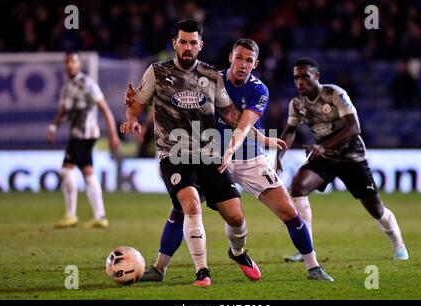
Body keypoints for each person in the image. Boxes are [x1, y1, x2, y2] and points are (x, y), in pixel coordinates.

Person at [125, 39, 333, 283]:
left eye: (248, 60)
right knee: (184, 206)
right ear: (230, 58)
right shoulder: (210, 79)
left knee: (287, 210)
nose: (242, 64)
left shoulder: (258, 90)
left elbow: (243, 124)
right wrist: (137, 103)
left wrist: (249, 143)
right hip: (209, 155)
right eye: (239, 58)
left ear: (255, 64)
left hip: (249, 156)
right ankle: (159, 268)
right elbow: (179, 103)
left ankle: (311, 266)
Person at [120, 20, 276, 287]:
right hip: (173, 153)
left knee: (236, 216)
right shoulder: (157, 72)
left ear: (200, 45)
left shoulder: (212, 75)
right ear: (175, 44)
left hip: (208, 154)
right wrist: (132, 117)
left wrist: (257, 134)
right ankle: (202, 272)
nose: (188, 47)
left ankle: (237, 252)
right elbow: (137, 103)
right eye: (183, 41)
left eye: (193, 43)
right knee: (189, 204)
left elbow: (231, 115)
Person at [276, 57, 409, 262]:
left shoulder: (334, 94)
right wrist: (278, 156)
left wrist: (323, 146)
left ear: (317, 77)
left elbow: (354, 127)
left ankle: (398, 245)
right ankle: (306, 248)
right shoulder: (297, 104)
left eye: (305, 76)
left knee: (376, 209)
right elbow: (290, 130)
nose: (300, 82)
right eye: (296, 78)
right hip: (326, 157)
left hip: (351, 157)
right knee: (299, 186)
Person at [47, 52, 120, 229]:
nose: (70, 65)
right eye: (67, 62)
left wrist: (113, 134)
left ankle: (71, 215)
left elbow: (104, 109)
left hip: (85, 135)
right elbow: (63, 111)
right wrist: (53, 127)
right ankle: (100, 216)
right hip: (78, 135)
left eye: (73, 62)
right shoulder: (67, 88)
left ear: (79, 65)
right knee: (88, 172)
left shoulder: (88, 84)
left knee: (66, 170)